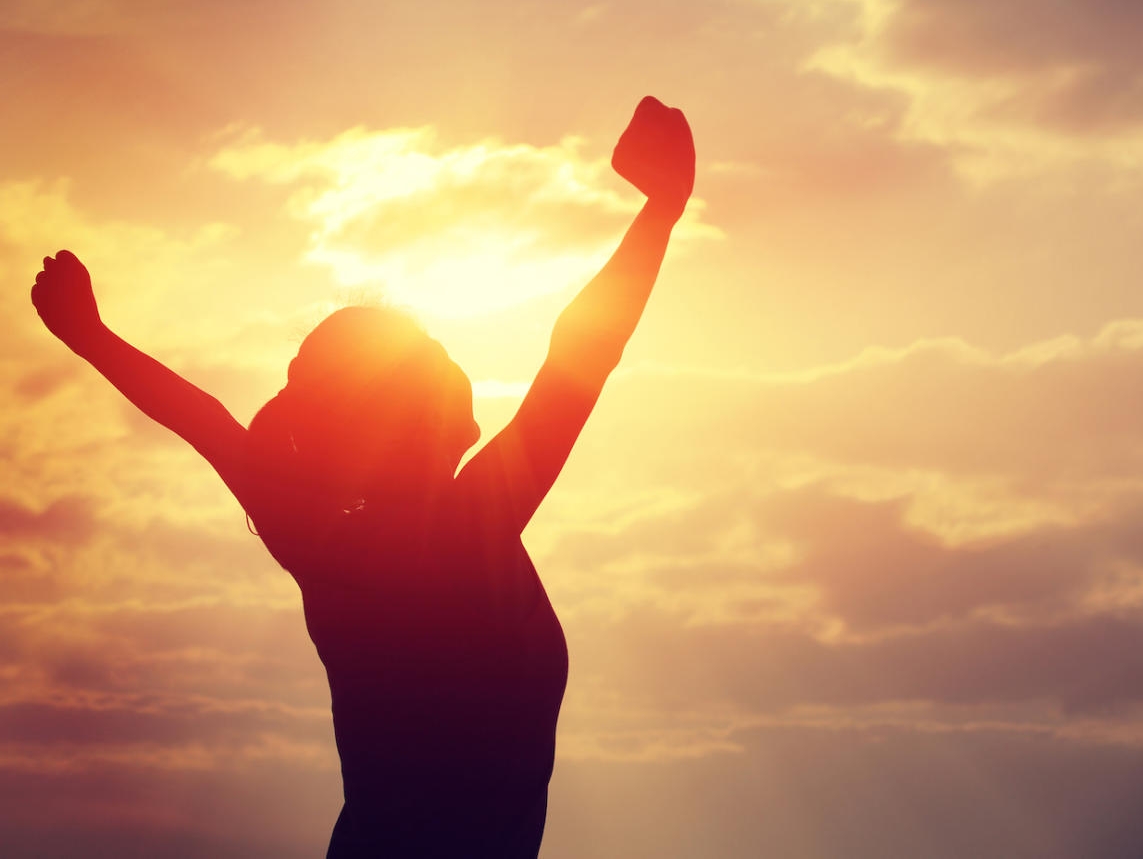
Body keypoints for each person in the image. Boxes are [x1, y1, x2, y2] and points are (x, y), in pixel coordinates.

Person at [29, 96, 695, 857]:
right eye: (429, 358)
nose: (451, 362)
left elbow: (202, 418)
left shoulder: (321, 542)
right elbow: (580, 356)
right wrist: (660, 210)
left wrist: (93, 337)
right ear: (427, 412)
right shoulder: (465, 524)